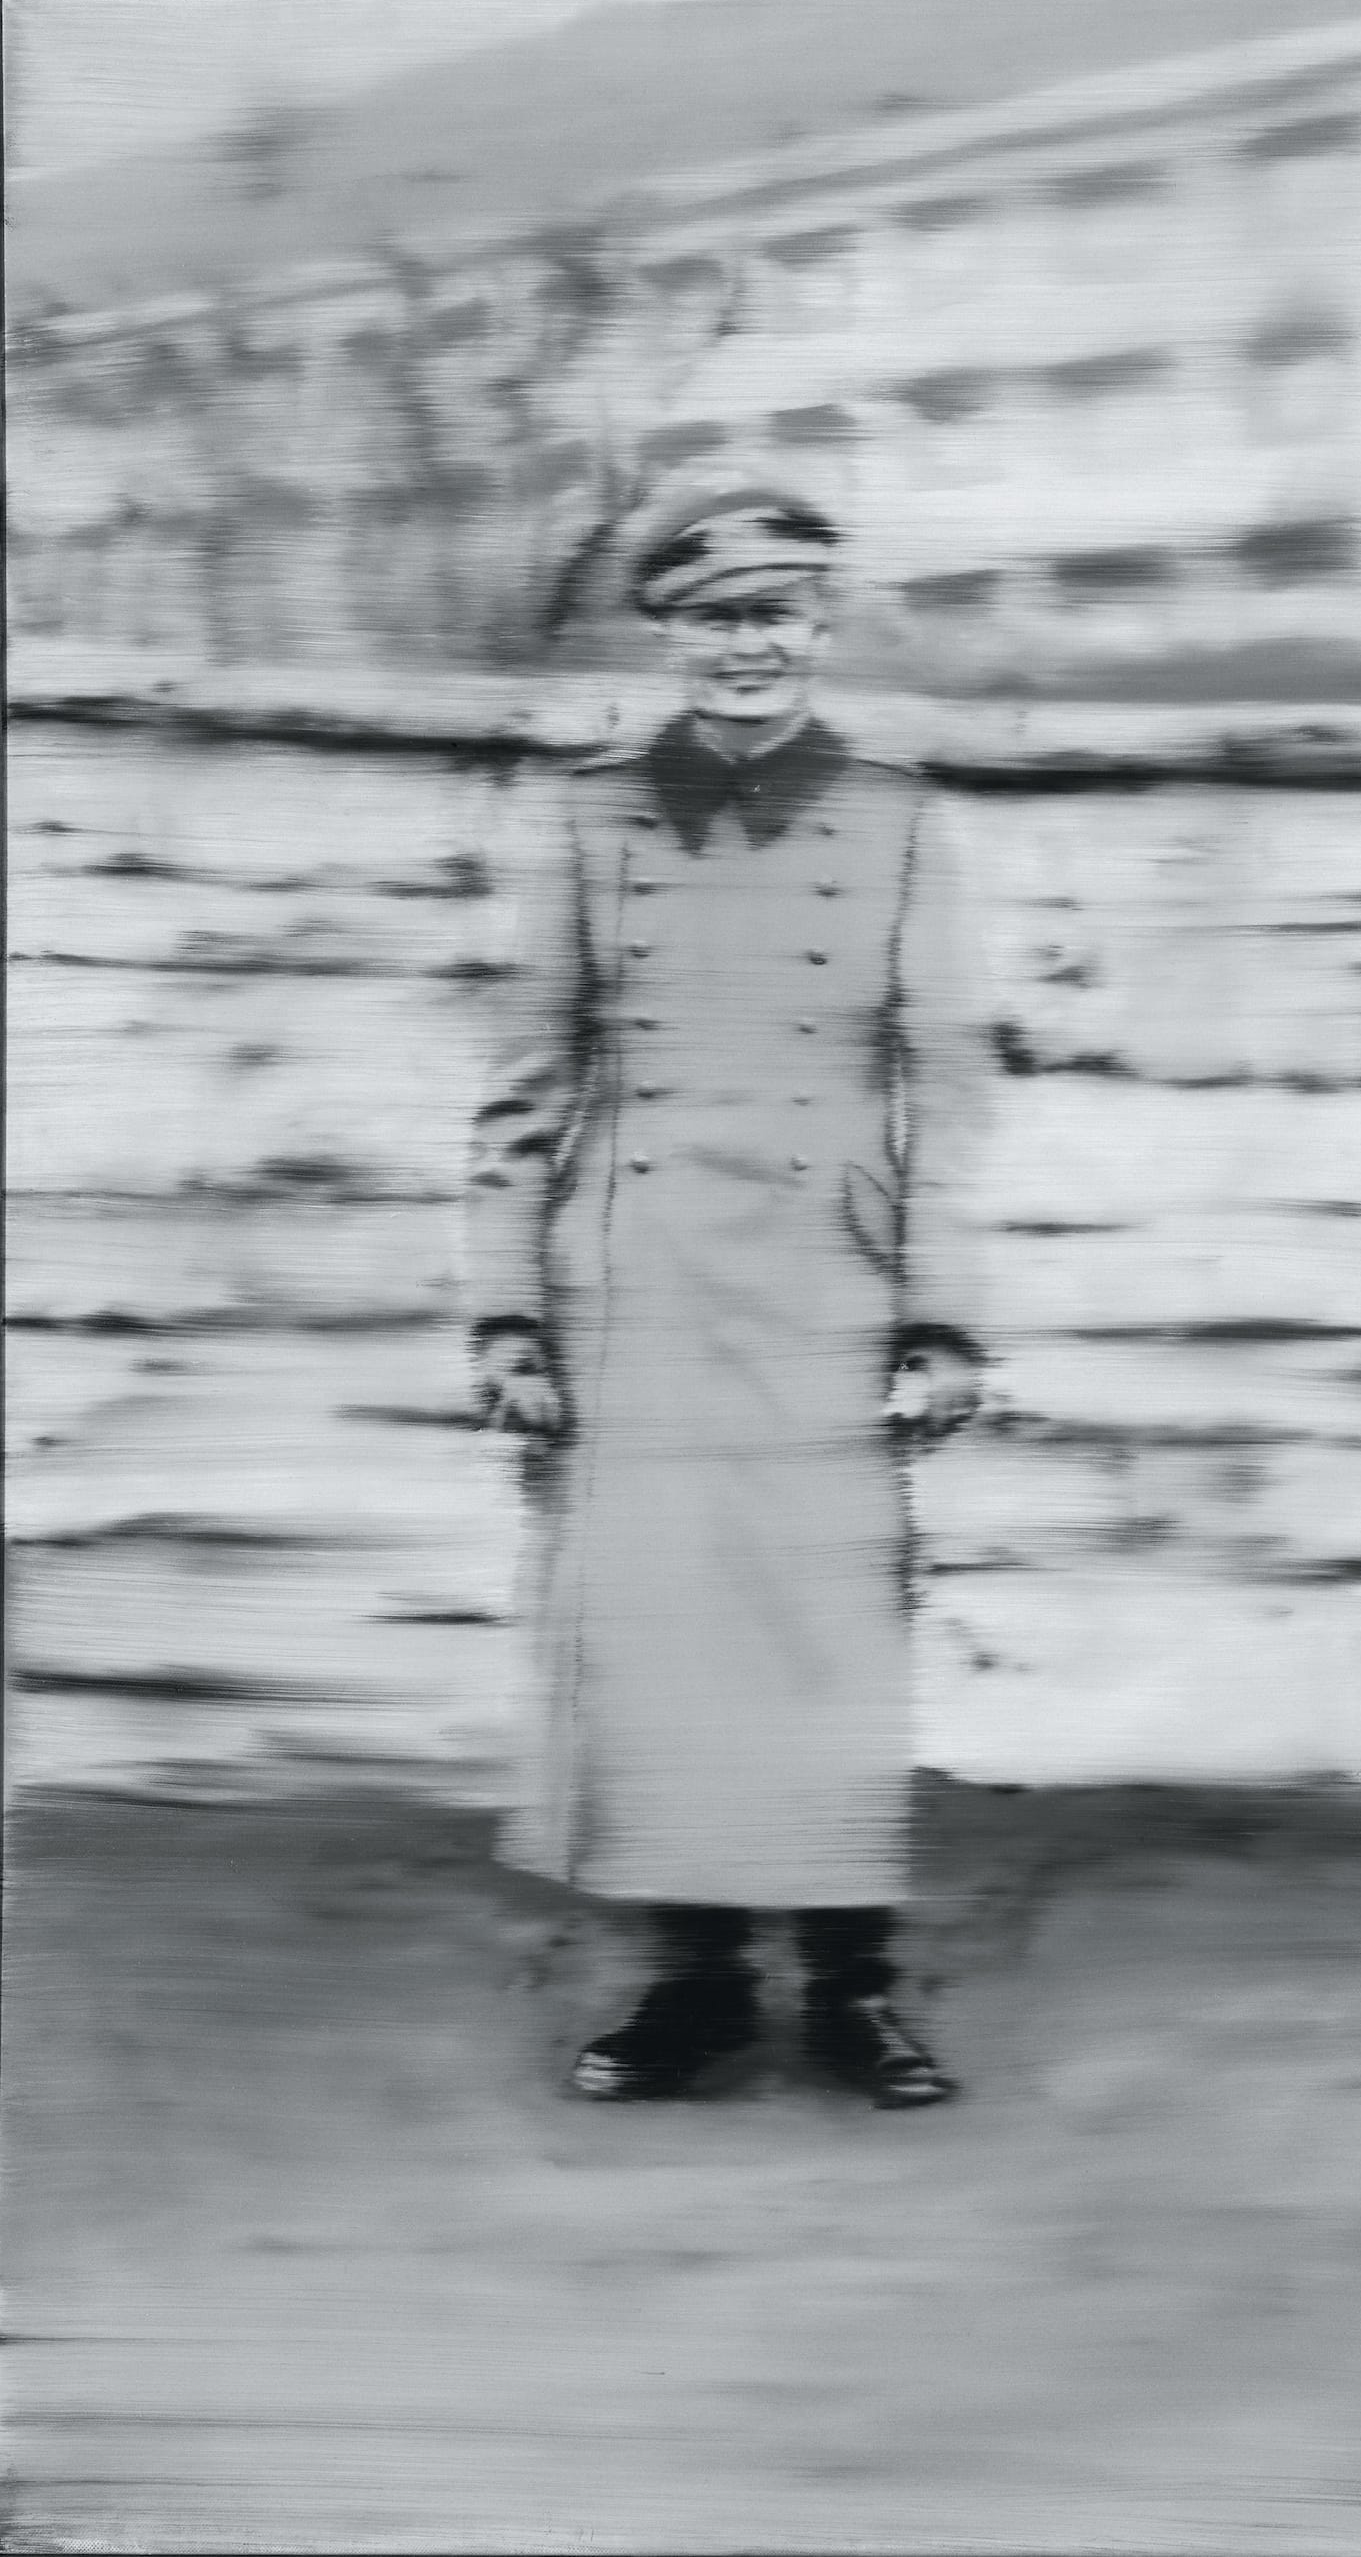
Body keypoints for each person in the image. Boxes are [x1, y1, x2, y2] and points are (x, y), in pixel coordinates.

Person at [466, 478, 993, 2107]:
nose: (745, 647)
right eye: (712, 620)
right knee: (662, 1639)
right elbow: (522, 1092)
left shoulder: (899, 819)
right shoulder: (587, 820)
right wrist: (508, 1317)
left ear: (819, 627)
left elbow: (947, 1093)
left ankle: (851, 1992)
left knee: (830, 1638)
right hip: (638, 1287)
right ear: (670, 638)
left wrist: (942, 1316)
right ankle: (691, 1988)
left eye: (774, 615)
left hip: (829, 1284)